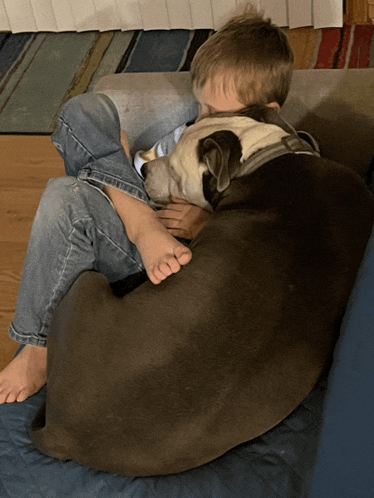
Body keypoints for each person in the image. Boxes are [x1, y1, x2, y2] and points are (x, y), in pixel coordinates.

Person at [0, 6, 294, 404]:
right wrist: (117, 161)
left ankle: (37, 347)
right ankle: (140, 231)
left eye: (215, 113)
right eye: (200, 107)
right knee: (83, 112)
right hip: (141, 230)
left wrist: (207, 226)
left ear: (267, 114)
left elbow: (274, 237)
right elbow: (141, 172)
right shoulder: (187, 133)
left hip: (176, 266)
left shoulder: (280, 153)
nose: (201, 120)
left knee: (63, 193)